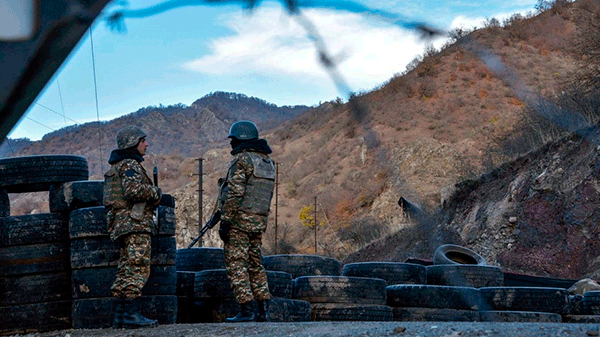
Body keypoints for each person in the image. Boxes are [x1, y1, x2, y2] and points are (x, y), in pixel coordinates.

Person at [103, 126, 162, 329]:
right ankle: (130, 315)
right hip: (134, 223)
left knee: (125, 268)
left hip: (122, 224)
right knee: (138, 268)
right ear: (133, 143)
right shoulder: (129, 164)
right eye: (142, 140)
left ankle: (121, 316)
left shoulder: (118, 166)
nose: (146, 144)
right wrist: (156, 193)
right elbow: (134, 191)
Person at [219, 120, 276, 322]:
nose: (231, 144)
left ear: (240, 139)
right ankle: (263, 311)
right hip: (258, 222)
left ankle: (246, 311)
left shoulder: (242, 160)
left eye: (232, 139)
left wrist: (225, 220)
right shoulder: (267, 163)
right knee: (255, 265)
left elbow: (235, 193)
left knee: (236, 264)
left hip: (239, 222)